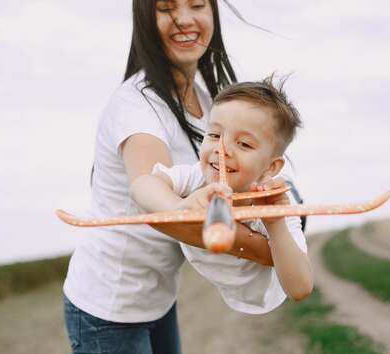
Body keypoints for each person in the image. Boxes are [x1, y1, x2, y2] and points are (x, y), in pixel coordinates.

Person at [62, 1, 303, 354]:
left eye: (197, 4)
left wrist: (286, 212)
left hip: (158, 295)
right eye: (166, 8)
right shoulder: (136, 106)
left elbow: (249, 165)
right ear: (144, 19)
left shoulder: (210, 95)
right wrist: (271, 249)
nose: (186, 18)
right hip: (110, 305)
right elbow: (152, 196)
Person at [131, 77, 313, 314]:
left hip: (266, 290)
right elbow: (141, 185)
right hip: (232, 286)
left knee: (287, 198)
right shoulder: (196, 176)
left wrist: (275, 222)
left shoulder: (275, 206)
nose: (222, 149)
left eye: (244, 144)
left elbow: (300, 289)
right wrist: (179, 207)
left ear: (271, 166)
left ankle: (290, 189)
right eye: (215, 135)